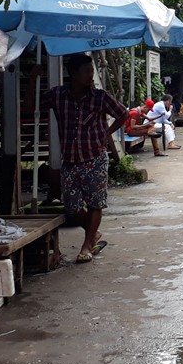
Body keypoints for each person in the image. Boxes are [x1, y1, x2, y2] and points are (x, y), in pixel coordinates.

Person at [40, 53, 127, 264]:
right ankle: (93, 232)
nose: (91, 75)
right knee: (71, 207)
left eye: (91, 71)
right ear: (73, 74)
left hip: (95, 157)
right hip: (70, 159)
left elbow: (123, 114)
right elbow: (30, 108)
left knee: (96, 203)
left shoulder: (100, 97)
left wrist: (107, 133)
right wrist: (34, 78)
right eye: (87, 71)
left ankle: (87, 245)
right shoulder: (58, 95)